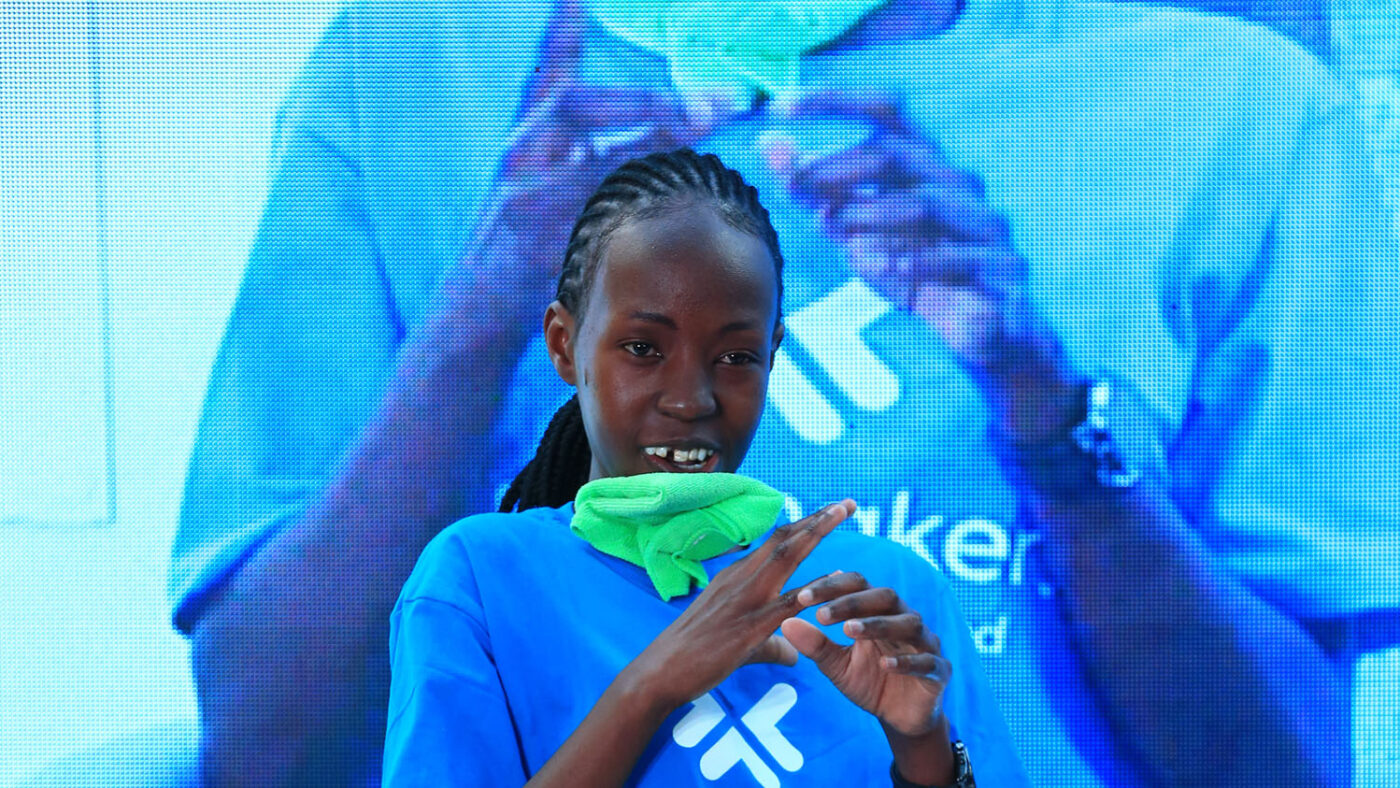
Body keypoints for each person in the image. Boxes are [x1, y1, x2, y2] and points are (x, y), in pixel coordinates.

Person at [172, 0, 1399, 785]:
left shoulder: (1233, 113)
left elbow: (1282, 764)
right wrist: (491, 292)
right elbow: (271, 750)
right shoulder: (406, 71)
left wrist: (1043, 407)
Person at [380, 148, 1024, 786]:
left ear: (773, 355)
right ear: (564, 346)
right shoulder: (479, 578)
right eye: (642, 348)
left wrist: (924, 752)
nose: (692, 398)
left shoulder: (887, 590)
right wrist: (651, 687)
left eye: (736, 356)